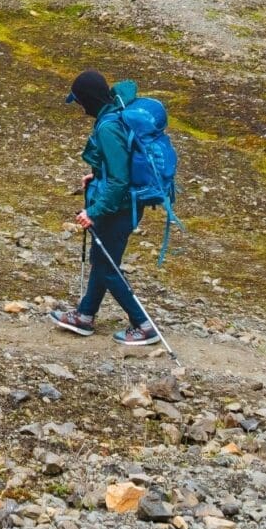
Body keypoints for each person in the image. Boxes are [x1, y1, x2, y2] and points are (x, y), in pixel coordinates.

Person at [50, 70, 161, 348]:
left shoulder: (107, 127)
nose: (80, 107)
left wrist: (94, 211)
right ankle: (85, 315)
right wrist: (95, 176)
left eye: (79, 101)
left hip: (117, 210)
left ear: (87, 99)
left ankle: (143, 325)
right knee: (102, 261)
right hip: (121, 206)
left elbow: (120, 180)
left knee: (107, 266)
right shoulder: (113, 117)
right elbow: (115, 169)